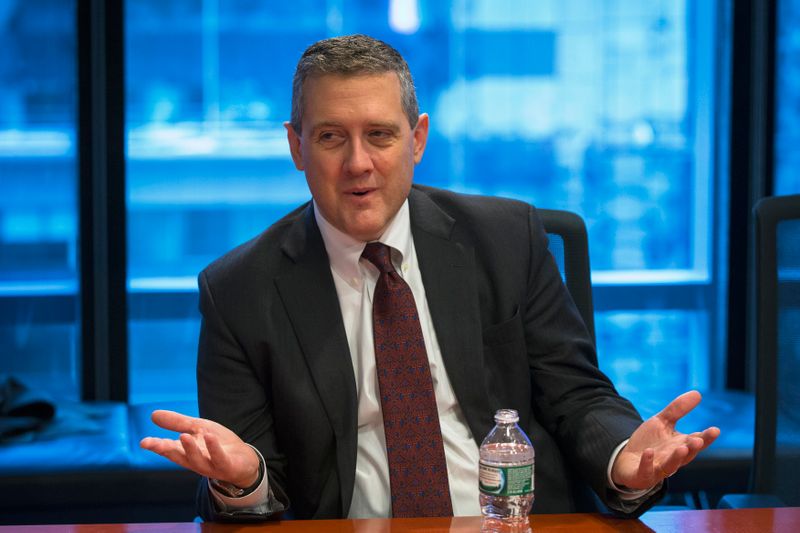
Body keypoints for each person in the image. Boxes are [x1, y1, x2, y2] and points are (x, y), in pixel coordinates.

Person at [140, 34, 720, 521]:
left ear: (416, 139)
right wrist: (245, 481)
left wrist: (622, 458)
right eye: (330, 137)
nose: (358, 163)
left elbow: (577, 396)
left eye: (380, 135)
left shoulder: (506, 238)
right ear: (296, 146)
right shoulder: (239, 289)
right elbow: (247, 480)